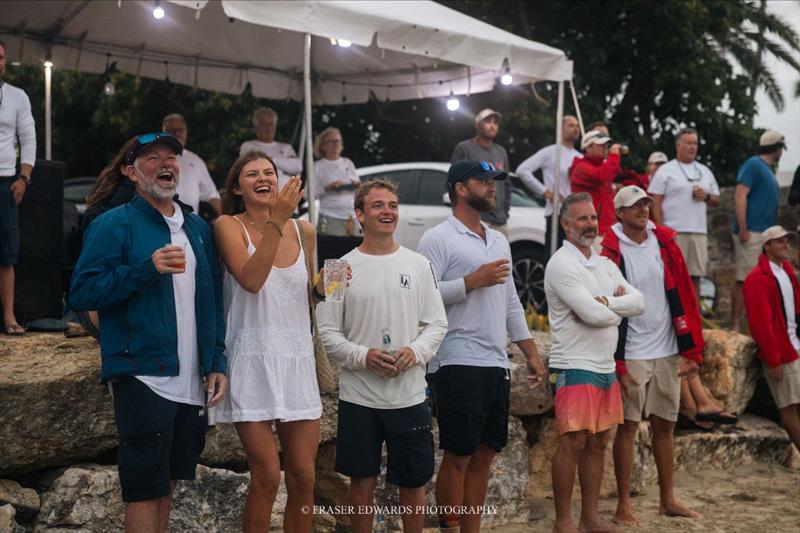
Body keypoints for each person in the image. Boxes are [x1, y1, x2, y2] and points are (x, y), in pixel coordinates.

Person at [68, 132, 228, 533]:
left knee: (167, 485)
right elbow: (82, 291)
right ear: (131, 172)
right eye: (153, 158)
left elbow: (210, 301)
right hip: (142, 373)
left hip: (191, 378)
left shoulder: (197, 228)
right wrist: (145, 269)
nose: (166, 164)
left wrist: (216, 360)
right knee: (143, 489)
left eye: (171, 157)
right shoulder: (113, 223)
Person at [418, 160, 546, 533]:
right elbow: (424, 298)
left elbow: (510, 304)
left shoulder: (499, 239)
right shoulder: (437, 238)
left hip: (496, 360)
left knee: (486, 453)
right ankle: (449, 528)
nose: (492, 187)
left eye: (494, 181)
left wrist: (532, 354)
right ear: (460, 188)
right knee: (457, 455)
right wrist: (471, 281)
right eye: (484, 180)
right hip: (456, 357)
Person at [317, 178, 448, 533]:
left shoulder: (419, 264)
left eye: (392, 205)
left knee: (414, 483)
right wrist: (364, 356)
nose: (387, 211)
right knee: (361, 482)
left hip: (408, 395)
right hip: (359, 397)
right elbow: (327, 332)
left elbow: (437, 323)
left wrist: (413, 351)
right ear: (359, 214)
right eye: (377, 205)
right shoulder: (335, 269)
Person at [211, 151, 321, 532]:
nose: (263, 178)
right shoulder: (227, 225)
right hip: (251, 360)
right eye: (252, 173)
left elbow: (306, 296)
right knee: (267, 476)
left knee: (305, 478)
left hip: (297, 360)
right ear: (238, 188)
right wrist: (277, 220)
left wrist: (327, 289)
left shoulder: (305, 231)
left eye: (269, 172)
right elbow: (253, 281)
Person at [599, 185, 704, 525]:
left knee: (665, 426)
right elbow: (602, 304)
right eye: (634, 206)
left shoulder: (665, 241)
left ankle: (667, 499)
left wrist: (692, 348)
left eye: (645, 203)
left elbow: (685, 294)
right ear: (619, 212)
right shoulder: (608, 249)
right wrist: (615, 360)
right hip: (631, 350)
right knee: (628, 427)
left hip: (667, 348)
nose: (643, 210)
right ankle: (623, 504)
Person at [544, 192, 644, 533]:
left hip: (604, 365)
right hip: (574, 362)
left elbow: (639, 301)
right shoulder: (561, 263)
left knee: (599, 442)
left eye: (592, 217)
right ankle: (563, 522)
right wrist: (611, 309)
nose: (590, 224)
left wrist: (606, 307)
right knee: (573, 442)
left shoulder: (604, 262)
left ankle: (590, 517)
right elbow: (590, 313)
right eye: (582, 219)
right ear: (566, 224)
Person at [743, 225, 800, 453]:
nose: (785, 245)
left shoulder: (785, 269)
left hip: (794, 345)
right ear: (767, 246)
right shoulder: (756, 278)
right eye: (779, 241)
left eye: (787, 240)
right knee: (788, 408)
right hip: (782, 351)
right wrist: (773, 358)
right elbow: (760, 323)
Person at [648, 128, 720, 296]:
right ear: (678, 145)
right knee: (674, 275)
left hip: (699, 231)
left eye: (695, 143)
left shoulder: (705, 171)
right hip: (675, 232)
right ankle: (676, 317)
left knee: (696, 276)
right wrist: (661, 231)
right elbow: (655, 202)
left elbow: (717, 199)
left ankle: (694, 316)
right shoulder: (665, 170)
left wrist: (706, 196)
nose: (692, 147)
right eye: (688, 143)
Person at [730, 130, 785, 332]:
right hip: (751, 230)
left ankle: (755, 322)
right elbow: (740, 195)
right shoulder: (753, 164)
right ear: (776, 148)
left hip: (763, 232)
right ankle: (736, 324)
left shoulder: (767, 169)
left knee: (760, 279)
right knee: (744, 278)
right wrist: (743, 228)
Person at [0, 40, 36, 335]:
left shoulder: (17, 96)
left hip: (5, 179)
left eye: (0, 58)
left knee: (7, 252)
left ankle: (9, 317)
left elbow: (28, 139)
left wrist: (24, 177)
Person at [516, 115, 582, 254]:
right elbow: (522, 170)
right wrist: (545, 192)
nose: (576, 129)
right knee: (555, 258)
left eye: (577, 125)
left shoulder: (580, 156)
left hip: (578, 216)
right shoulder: (550, 151)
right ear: (561, 128)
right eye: (571, 125)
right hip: (557, 214)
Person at [451, 109, 510, 234]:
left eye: (495, 122)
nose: (492, 125)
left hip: (500, 221)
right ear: (477, 125)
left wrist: (505, 212)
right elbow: (453, 184)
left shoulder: (501, 151)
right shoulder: (464, 148)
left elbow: (507, 184)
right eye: (488, 121)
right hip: (474, 220)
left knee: (502, 254)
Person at [569, 130, 622, 246]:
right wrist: (614, 156)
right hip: (592, 233)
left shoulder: (601, 166)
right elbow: (601, 175)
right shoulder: (581, 167)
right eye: (601, 145)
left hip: (605, 230)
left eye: (607, 146)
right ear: (588, 148)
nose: (606, 148)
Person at [162, 113, 221, 216]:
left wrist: (222, 216)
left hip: (190, 226)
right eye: (172, 130)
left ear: (186, 131)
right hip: (159, 222)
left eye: (180, 130)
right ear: (163, 132)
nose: (177, 134)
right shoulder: (154, 159)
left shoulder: (196, 160)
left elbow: (211, 193)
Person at [313, 127, 361, 236]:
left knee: (354, 251)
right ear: (322, 146)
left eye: (338, 141)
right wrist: (328, 188)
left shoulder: (348, 162)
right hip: (330, 216)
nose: (335, 144)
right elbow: (308, 194)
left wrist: (357, 185)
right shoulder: (318, 166)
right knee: (333, 251)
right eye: (331, 141)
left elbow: (359, 190)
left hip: (351, 216)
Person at [240, 107, 302, 190]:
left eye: (271, 124)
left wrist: (272, 160)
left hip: (284, 195)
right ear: (256, 127)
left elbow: (297, 167)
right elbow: (252, 167)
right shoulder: (249, 146)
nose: (269, 128)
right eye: (264, 125)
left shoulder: (286, 147)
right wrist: (284, 166)